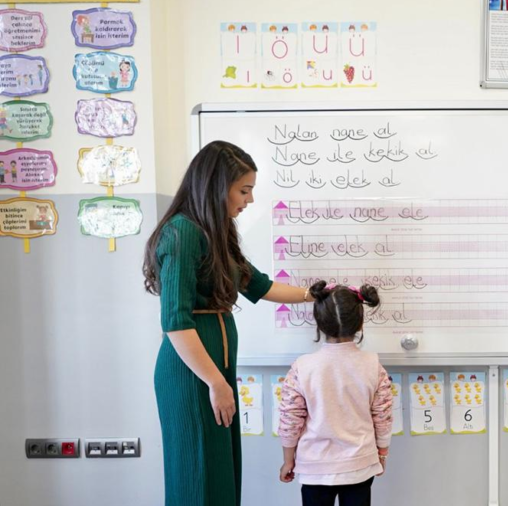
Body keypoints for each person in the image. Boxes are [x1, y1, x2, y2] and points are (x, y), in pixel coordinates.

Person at [143, 141, 315, 506]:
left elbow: (260, 286)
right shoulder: (182, 232)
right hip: (192, 373)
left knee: (219, 471)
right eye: (244, 190)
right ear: (216, 186)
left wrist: (313, 295)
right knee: (196, 474)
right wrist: (216, 382)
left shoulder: (215, 233)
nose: (250, 199)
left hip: (213, 373)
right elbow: (175, 322)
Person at [278, 281, 392, 506]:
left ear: (319, 323)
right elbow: (383, 416)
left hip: (315, 466)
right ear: (360, 323)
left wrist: (288, 460)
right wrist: (381, 453)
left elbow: (290, 419)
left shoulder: (302, 367)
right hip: (360, 464)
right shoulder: (373, 365)